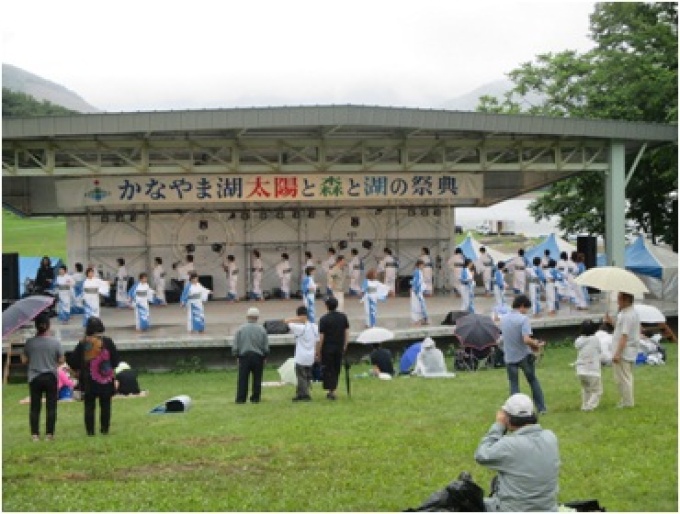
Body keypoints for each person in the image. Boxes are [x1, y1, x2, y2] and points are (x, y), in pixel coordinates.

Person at [474, 393, 560, 512]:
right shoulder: (551, 437)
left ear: (507, 418)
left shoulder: (508, 445)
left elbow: (481, 454)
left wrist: (499, 426)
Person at [67, 316, 120, 436]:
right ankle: (104, 430)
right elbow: (116, 361)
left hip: (88, 380)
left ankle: (90, 431)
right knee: (106, 405)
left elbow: (73, 362)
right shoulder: (108, 342)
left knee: (89, 406)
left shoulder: (83, 343)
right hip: (105, 379)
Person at [499, 295, 547, 414]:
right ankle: (541, 408)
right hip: (524, 355)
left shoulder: (503, 319)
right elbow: (526, 339)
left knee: (514, 384)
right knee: (532, 380)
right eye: (526, 309)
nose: (526, 312)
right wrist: (536, 343)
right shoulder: (523, 319)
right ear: (521, 306)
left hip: (509, 356)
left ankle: (514, 410)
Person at [21, 313, 65, 441]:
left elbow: (24, 360)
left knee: (35, 406)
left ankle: (35, 434)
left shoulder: (30, 343)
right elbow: (61, 360)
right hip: (51, 376)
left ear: (36, 326)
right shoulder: (55, 342)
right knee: (51, 406)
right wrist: (53, 363)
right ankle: (49, 434)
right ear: (48, 326)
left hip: (35, 377)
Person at [604, 292, 641, 408]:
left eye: (619, 298)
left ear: (625, 299)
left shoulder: (628, 315)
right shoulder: (627, 313)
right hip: (627, 349)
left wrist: (617, 353)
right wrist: (611, 322)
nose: (617, 301)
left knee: (624, 378)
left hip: (625, 351)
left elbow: (624, 336)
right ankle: (625, 399)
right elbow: (621, 330)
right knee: (622, 377)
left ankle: (628, 402)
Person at [232, 307, 270, 404]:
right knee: (257, 379)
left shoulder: (240, 329)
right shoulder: (262, 329)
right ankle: (255, 398)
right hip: (258, 356)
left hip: (244, 356)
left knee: (242, 379)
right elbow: (265, 345)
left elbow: (236, 344)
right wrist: (265, 356)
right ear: (257, 317)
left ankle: (241, 398)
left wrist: (236, 355)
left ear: (247, 316)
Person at [285, 305, 320, 402]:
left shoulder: (298, 327)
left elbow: (286, 321)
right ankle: (301, 393)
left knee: (301, 377)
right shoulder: (314, 327)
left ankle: (305, 395)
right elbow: (318, 341)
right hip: (311, 355)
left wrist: (297, 319)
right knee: (307, 376)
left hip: (301, 356)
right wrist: (317, 353)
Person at [317, 297, 349, 400]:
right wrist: (345, 344)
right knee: (336, 368)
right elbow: (346, 332)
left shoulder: (324, 319)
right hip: (339, 346)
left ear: (327, 306)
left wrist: (318, 350)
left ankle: (331, 390)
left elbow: (322, 336)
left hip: (327, 348)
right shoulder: (343, 317)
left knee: (328, 368)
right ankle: (333, 389)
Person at [574, 320, 602, 411]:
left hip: (580, 369)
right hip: (592, 369)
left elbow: (577, 347)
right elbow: (599, 350)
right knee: (597, 390)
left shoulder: (578, 340)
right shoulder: (595, 339)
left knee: (586, 389)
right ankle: (590, 406)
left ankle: (584, 405)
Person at [410, 259, 429, 326]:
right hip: (416, 292)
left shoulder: (419, 272)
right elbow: (416, 282)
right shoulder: (417, 272)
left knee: (420, 305)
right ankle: (417, 320)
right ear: (420, 265)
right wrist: (416, 291)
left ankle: (422, 319)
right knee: (417, 306)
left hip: (418, 291)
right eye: (423, 265)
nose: (423, 266)